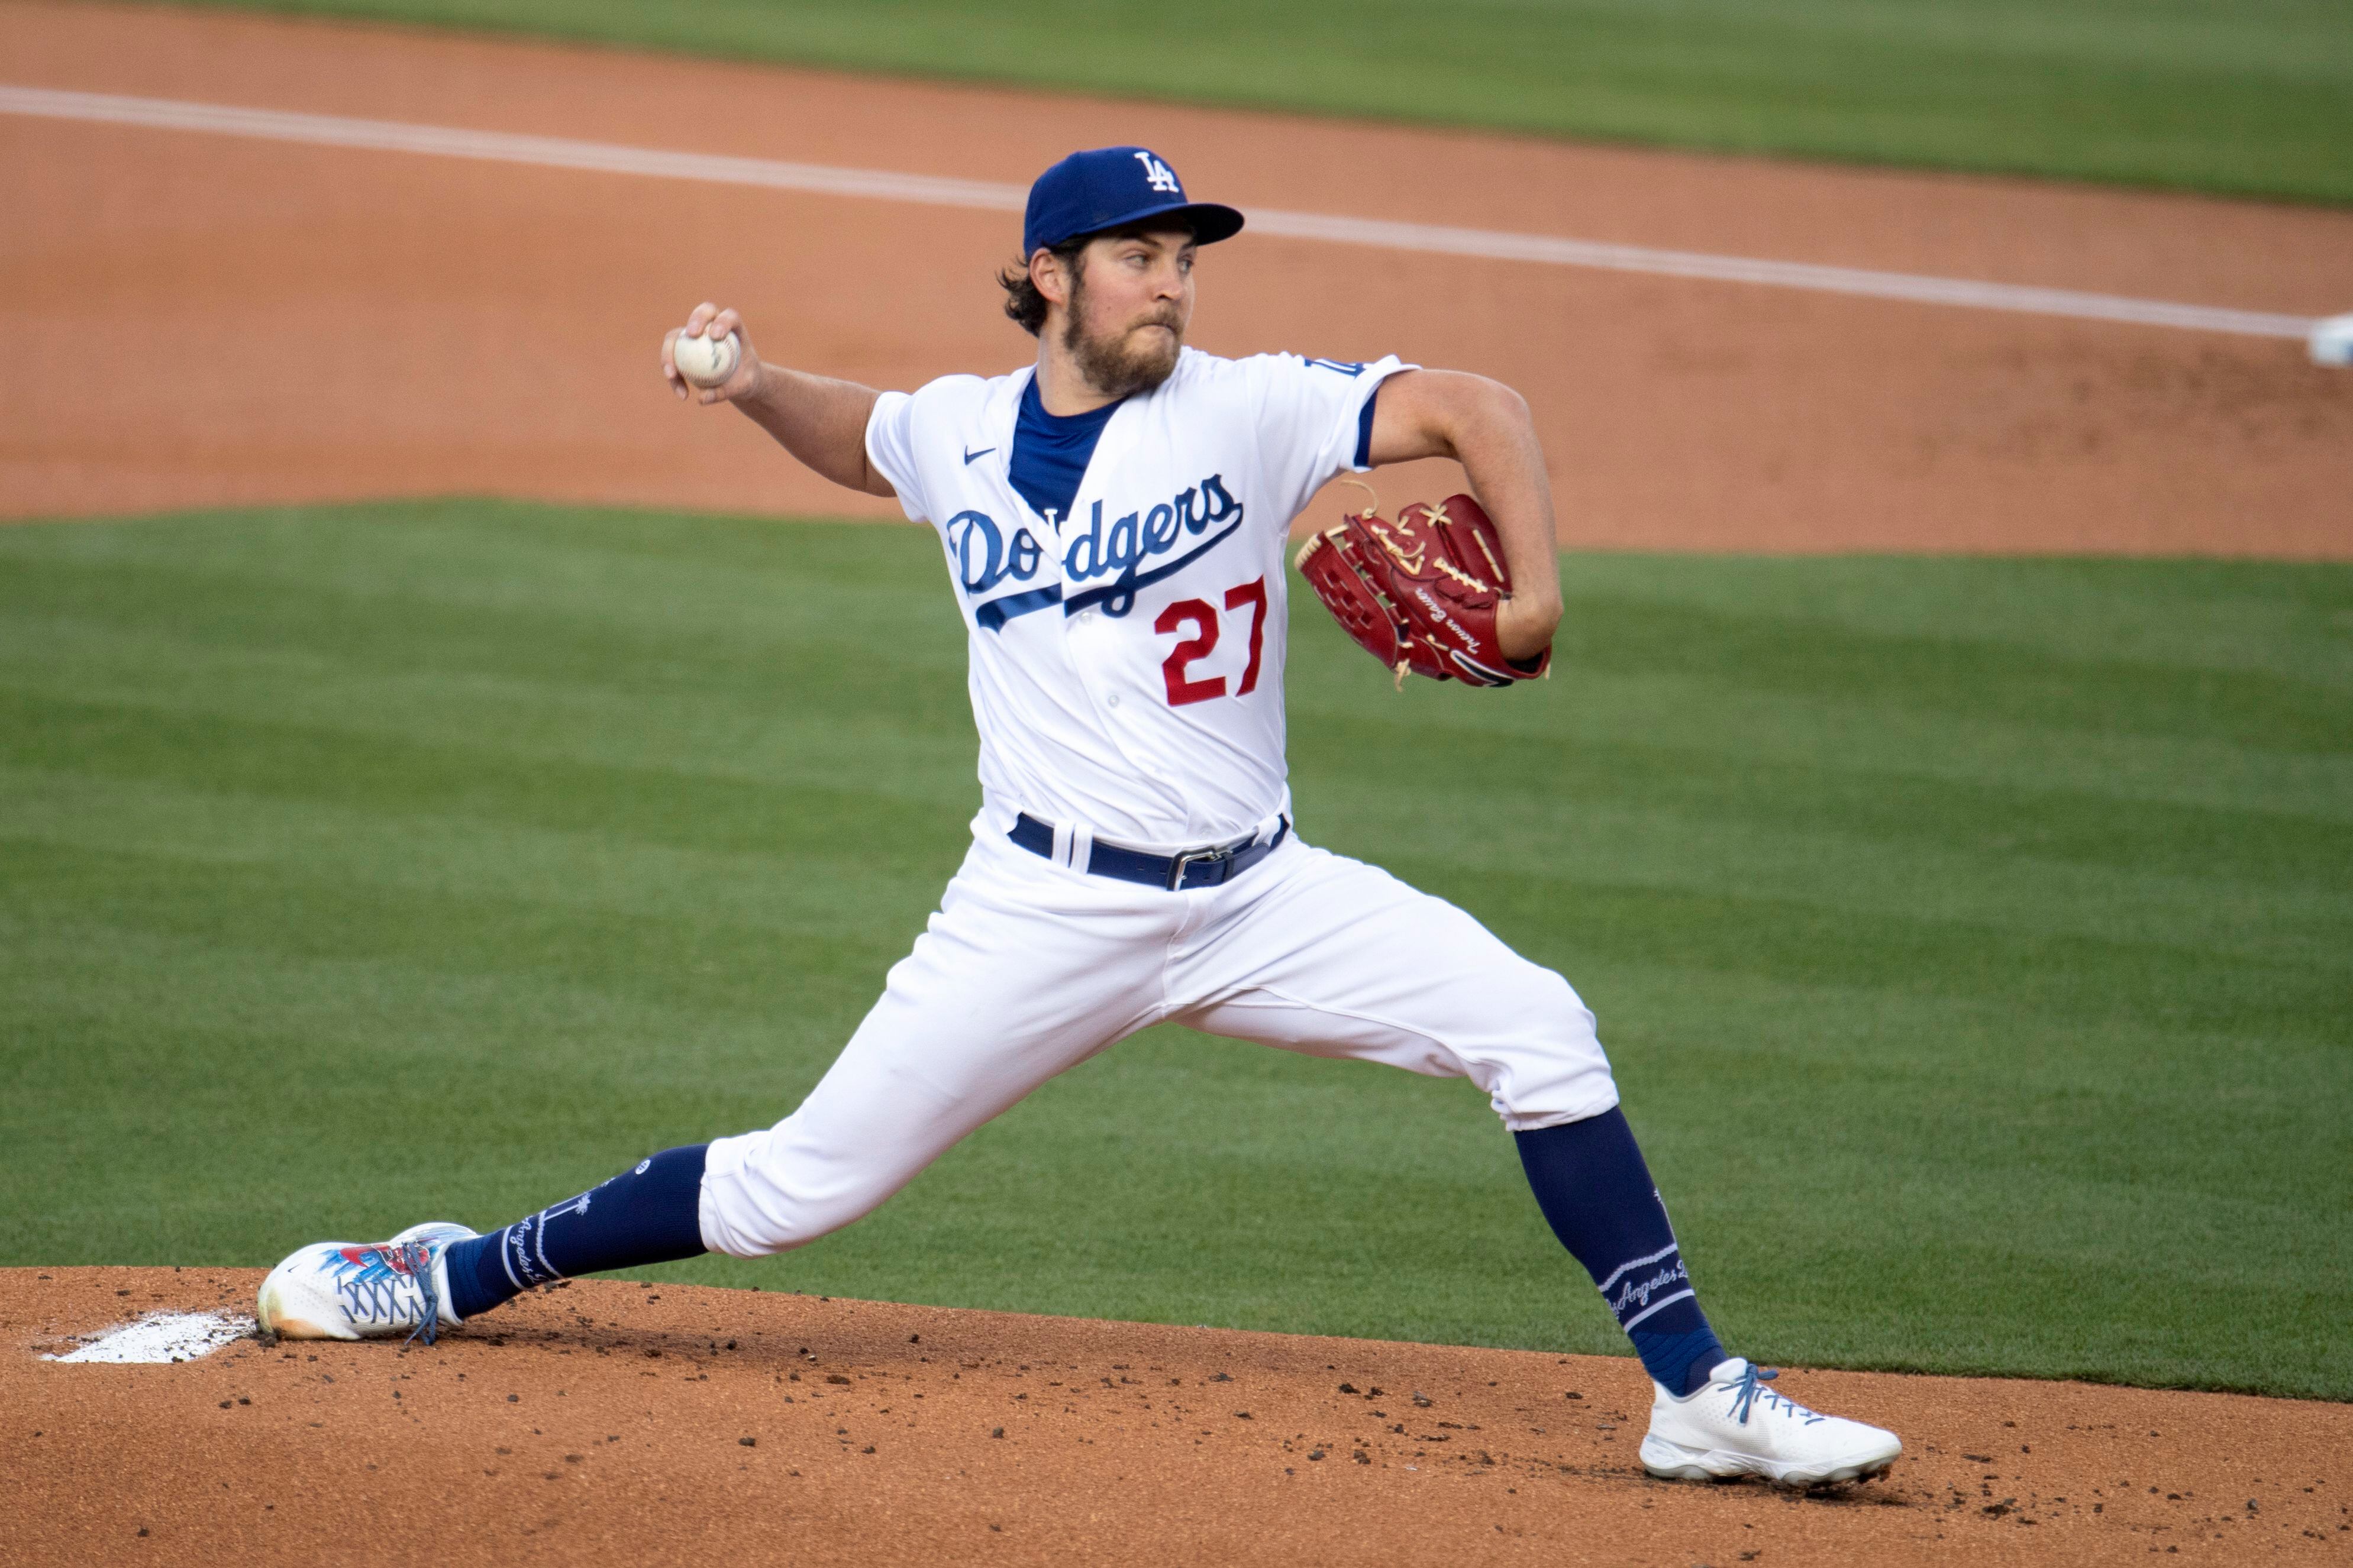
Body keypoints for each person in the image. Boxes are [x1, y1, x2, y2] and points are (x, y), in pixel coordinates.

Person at [258, 146, 1900, 1488]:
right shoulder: (963, 429)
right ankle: (448, 1269)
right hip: (1037, 913)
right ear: (1049, 273)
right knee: (787, 1193)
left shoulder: (1251, 408)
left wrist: (1533, 597)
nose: (1171, 280)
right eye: (1136, 255)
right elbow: (871, 437)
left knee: (1537, 1027)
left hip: (1262, 900)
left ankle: (1693, 1391)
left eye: (1184, 255)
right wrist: (755, 381)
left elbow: (1482, 405)